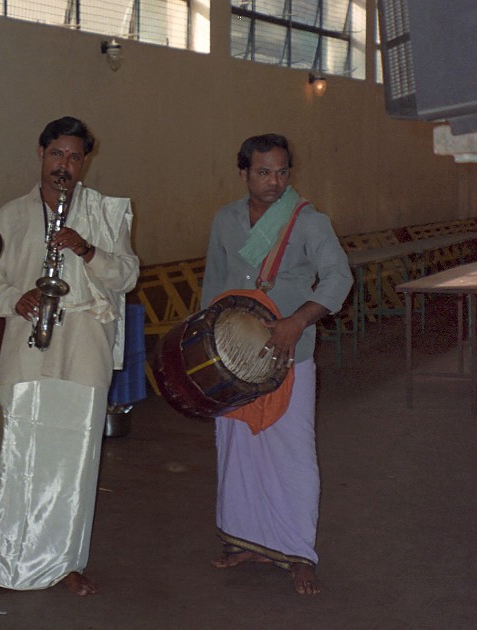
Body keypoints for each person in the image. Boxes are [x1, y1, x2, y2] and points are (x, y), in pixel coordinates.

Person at [0, 116, 139, 597]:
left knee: (73, 457)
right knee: (9, 449)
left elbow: (127, 276)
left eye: (75, 157)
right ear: (41, 154)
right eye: (57, 154)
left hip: (85, 346)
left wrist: (88, 249)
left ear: (85, 162)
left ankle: (63, 563)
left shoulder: (105, 212)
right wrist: (16, 299)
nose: (65, 165)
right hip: (27, 342)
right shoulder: (10, 215)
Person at [200, 133, 352, 595]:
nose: (274, 181)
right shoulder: (226, 219)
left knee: (292, 455)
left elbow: (339, 276)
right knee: (239, 449)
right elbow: (213, 284)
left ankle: (299, 551)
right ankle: (248, 539)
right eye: (263, 172)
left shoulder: (308, 221)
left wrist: (298, 320)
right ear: (243, 172)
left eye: (282, 171)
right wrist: (206, 352)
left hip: (290, 354)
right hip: (232, 357)